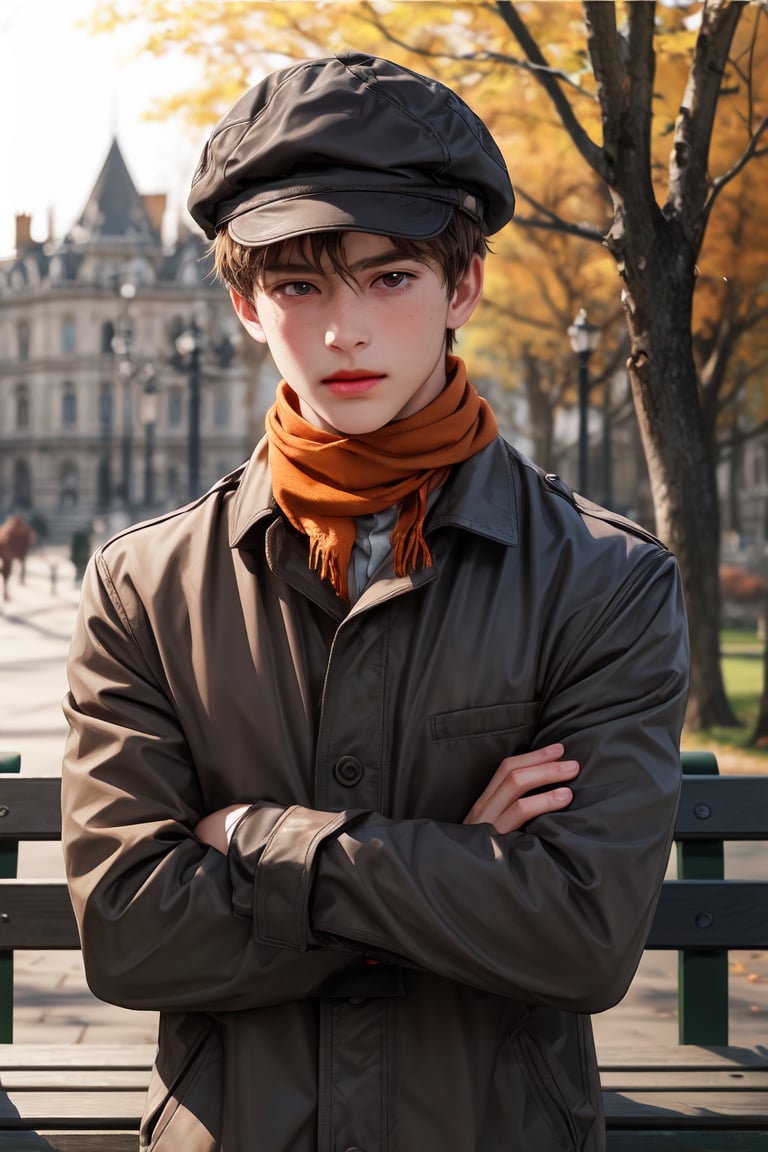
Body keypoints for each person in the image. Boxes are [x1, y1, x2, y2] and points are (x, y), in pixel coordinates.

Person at [61, 51, 689, 1152]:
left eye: (388, 277)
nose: (343, 330)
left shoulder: (607, 578)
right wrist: (452, 864)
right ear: (248, 305)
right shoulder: (147, 585)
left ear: (463, 286)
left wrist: (257, 835)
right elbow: (132, 936)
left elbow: (582, 938)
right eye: (301, 285)